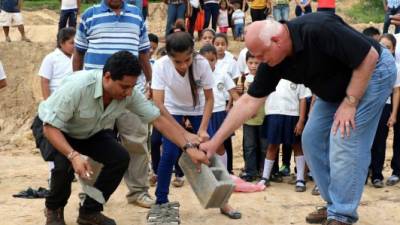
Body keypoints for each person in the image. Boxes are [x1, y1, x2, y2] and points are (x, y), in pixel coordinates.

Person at [200, 14, 397, 225]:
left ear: (276, 40)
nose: (260, 62)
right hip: (335, 86)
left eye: (262, 55)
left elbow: (368, 57)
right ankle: (334, 205)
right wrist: (215, 142)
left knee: (345, 136)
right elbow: (249, 102)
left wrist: (350, 103)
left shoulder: (318, 28)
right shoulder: (272, 59)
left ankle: (342, 215)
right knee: (311, 139)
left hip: (371, 71)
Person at [38, 51, 208, 225]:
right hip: (55, 128)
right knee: (63, 166)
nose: (128, 93)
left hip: (88, 131)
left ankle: (90, 211)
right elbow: (50, 127)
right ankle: (54, 209)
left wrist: (188, 148)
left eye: (132, 87)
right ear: (107, 77)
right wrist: (73, 156)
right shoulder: (79, 86)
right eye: (124, 87)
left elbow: (158, 120)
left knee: (119, 158)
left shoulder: (129, 93)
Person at [73, 0, 156, 208]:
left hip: (131, 93)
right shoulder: (90, 15)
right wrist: (76, 81)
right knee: (96, 144)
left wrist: (151, 81)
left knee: (137, 141)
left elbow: (144, 52)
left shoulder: (137, 15)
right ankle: (90, 193)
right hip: (97, 94)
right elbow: (79, 52)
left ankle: (138, 191)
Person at [151, 31, 214, 206]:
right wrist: (181, 133)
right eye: (177, 62)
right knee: (169, 153)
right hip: (171, 108)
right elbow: (158, 103)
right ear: (169, 56)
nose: (183, 65)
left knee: (209, 151)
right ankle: (161, 199)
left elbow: (210, 99)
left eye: (187, 60)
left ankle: (221, 200)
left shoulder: (202, 64)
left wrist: (202, 129)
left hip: (199, 108)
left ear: (193, 53)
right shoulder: (161, 65)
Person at [199, 44, 241, 219]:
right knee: (201, 148)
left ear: (217, 59)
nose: (209, 63)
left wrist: (235, 110)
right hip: (201, 116)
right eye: (205, 60)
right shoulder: (196, 76)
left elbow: (235, 95)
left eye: (212, 60)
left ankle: (222, 178)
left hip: (218, 114)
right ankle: (206, 181)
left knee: (221, 147)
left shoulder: (223, 73)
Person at [258, 78, 310, 192]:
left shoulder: (297, 76)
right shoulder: (270, 74)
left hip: (293, 115)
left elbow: (302, 99)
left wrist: (301, 120)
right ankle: (265, 177)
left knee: (297, 145)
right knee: (272, 145)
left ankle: (300, 178)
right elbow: (260, 95)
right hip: (273, 114)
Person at [369, 33, 400, 188]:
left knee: (380, 141)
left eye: (388, 47)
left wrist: (393, 114)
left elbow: (396, 92)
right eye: (382, 46)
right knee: (366, 141)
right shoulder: (369, 64)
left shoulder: (396, 68)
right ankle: (363, 173)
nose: (385, 50)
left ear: (394, 50)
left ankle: (377, 175)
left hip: (385, 107)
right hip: (369, 107)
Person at [213, 33, 240, 173]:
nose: (220, 47)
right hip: (208, 107)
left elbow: (233, 87)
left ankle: (227, 169)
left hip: (223, 104)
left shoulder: (230, 62)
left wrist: (231, 105)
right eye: (217, 44)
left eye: (222, 44)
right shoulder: (203, 64)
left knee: (225, 137)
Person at [239, 51, 267, 182]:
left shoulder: (265, 78)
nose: (254, 65)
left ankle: (264, 171)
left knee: (263, 146)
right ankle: (250, 170)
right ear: (246, 63)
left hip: (264, 117)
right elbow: (240, 98)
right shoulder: (244, 78)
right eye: (251, 63)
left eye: (257, 63)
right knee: (249, 146)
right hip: (248, 119)